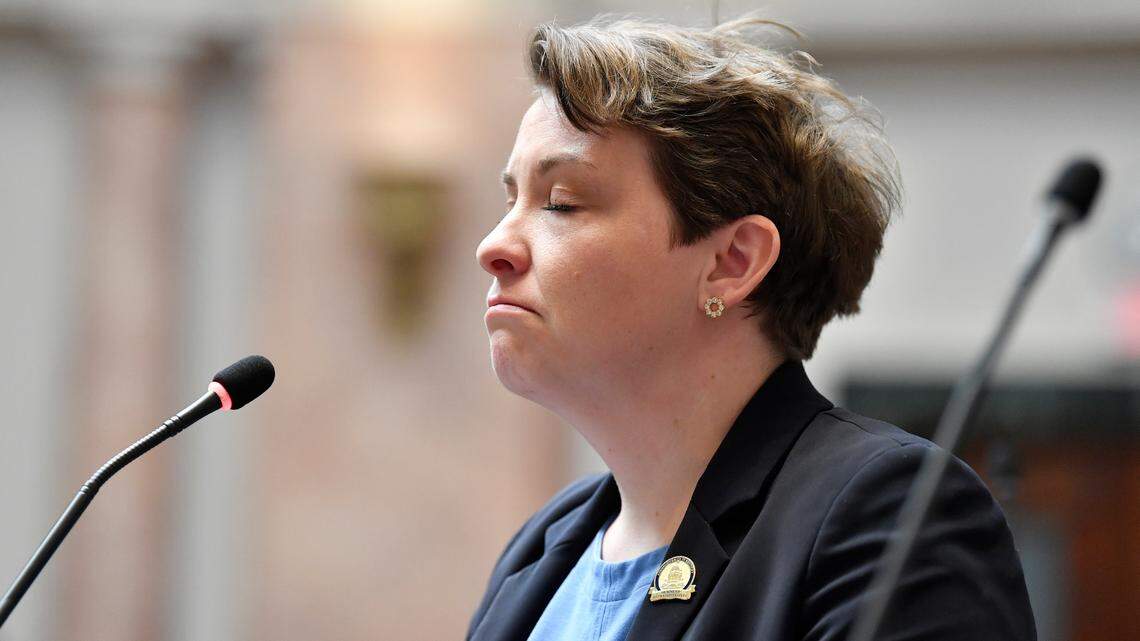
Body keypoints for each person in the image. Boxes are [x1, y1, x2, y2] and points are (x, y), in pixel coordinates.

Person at [470, 12, 1036, 641]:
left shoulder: (888, 516)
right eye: (509, 199)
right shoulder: (541, 549)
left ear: (730, 262)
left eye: (561, 203)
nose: (494, 246)